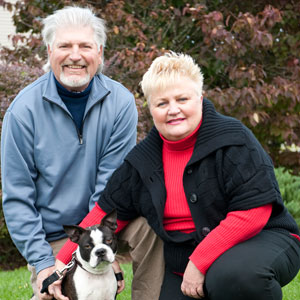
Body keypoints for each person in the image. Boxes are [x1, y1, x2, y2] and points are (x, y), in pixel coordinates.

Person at [54, 51, 300, 300]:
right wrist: (59, 268)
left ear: (200, 98)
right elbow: (101, 213)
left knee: (232, 277)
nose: (173, 110)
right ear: (151, 109)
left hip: (259, 242)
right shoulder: (141, 162)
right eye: (162, 103)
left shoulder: (234, 140)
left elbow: (253, 213)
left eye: (182, 99)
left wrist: (200, 262)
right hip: (183, 262)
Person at [0, 6, 161, 300]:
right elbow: (18, 198)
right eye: (65, 46)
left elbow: (110, 185)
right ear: (49, 51)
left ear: (99, 52)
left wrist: (103, 251)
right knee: (53, 293)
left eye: (85, 46)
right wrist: (47, 264)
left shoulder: (121, 103)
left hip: (110, 223)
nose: (75, 55)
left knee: (152, 227)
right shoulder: (22, 112)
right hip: (54, 236)